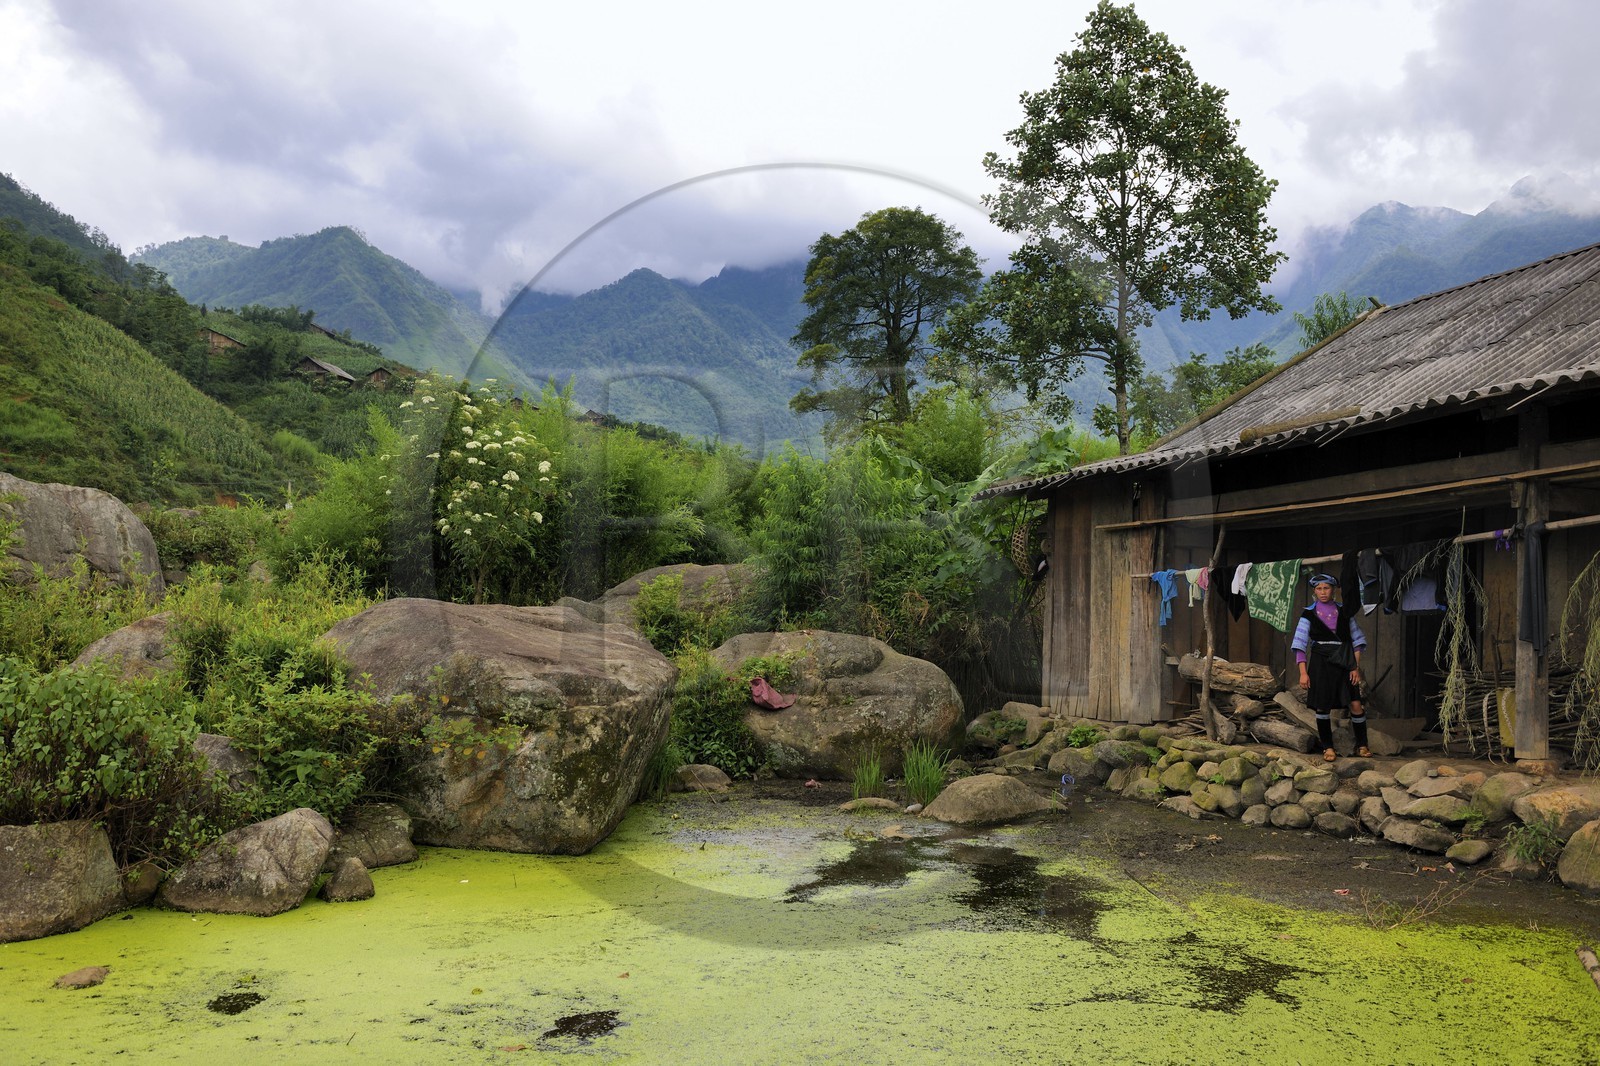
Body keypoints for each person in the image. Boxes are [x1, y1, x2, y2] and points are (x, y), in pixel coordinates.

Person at [1293, 573, 1371, 762]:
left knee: (1356, 704)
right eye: (1319, 588)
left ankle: (1362, 745)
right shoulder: (1308, 614)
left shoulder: (1345, 612)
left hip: (1345, 662)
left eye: (1326, 588)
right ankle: (1328, 747)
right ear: (1314, 591)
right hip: (1320, 663)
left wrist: (1355, 667)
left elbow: (1357, 642)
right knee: (1322, 706)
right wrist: (1303, 673)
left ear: (1333, 590)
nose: (1323, 592)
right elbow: (1300, 645)